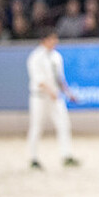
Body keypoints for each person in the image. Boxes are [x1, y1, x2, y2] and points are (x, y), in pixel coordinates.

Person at [26, 28, 80, 169]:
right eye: (52, 39)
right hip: (40, 97)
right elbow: (38, 79)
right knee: (36, 126)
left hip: (55, 97)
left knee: (63, 124)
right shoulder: (35, 57)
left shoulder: (56, 56)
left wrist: (68, 93)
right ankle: (33, 158)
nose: (55, 42)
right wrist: (50, 91)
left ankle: (66, 155)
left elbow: (59, 78)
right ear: (45, 40)